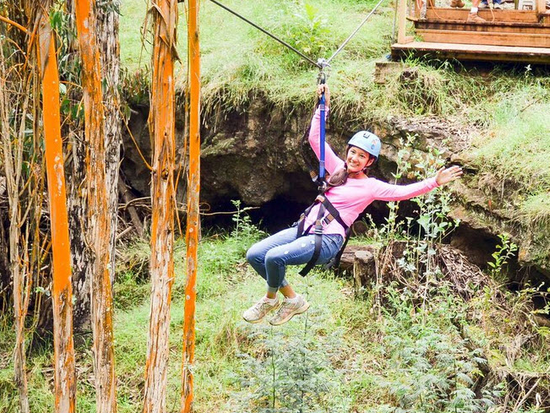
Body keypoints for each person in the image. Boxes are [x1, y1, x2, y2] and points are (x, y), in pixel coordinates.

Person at [242, 84, 463, 326]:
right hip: (303, 228)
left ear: (369, 162)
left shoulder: (370, 187)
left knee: (274, 258)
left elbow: (402, 193)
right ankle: (292, 300)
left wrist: (434, 182)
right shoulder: (336, 168)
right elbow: (315, 137)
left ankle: (271, 298)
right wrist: (322, 105)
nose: (354, 159)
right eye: (353, 152)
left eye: (361, 156)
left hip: (327, 239)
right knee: (255, 255)